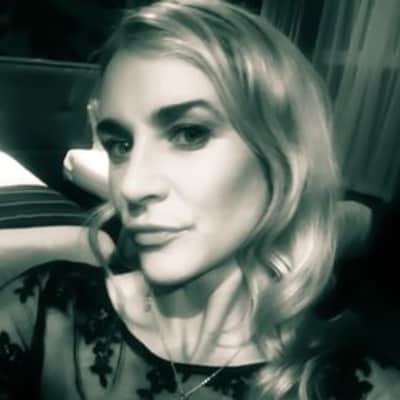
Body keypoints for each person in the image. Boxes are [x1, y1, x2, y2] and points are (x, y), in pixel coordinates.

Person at [0, 1, 399, 399]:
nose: (132, 186)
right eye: (120, 145)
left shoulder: (353, 385)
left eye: (189, 134)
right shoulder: (45, 309)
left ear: (280, 157)